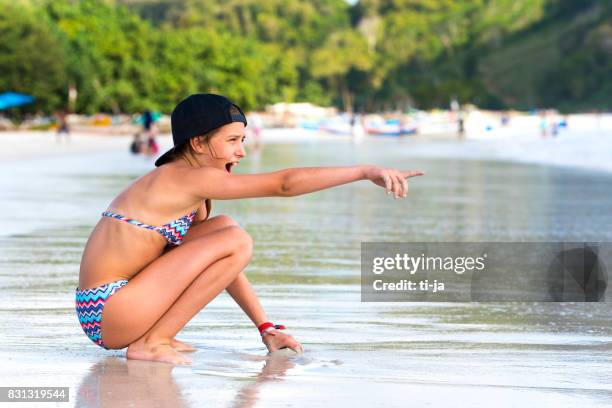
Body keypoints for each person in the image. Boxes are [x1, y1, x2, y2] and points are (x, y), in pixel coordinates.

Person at [75, 94, 424, 365]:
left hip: (114, 307)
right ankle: (152, 342)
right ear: (198, 143)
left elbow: (222, 264)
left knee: (225, 230)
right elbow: (285, 184)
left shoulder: (188, 185)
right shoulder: (187, 178)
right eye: (231, 141)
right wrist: (364, 171)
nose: (241, 152)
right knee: (234, 238)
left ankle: (155, 336)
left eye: (242, 140)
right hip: (111, 308)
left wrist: (265, 328)